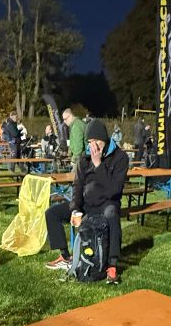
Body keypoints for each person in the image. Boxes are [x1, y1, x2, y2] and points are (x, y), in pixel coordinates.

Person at [44, 120, 128, 284]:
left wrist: (98, 165)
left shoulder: (120, 157)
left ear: (105, 139)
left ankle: (112, 265)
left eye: (96, 141)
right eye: (90, 142)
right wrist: (75, 209)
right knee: (52, 213)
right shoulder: (84, 157)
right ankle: (65, 256)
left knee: (112, 214)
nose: (93, 146)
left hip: (107, 203)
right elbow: (78, 185)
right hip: (86, 204)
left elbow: (114, 190)